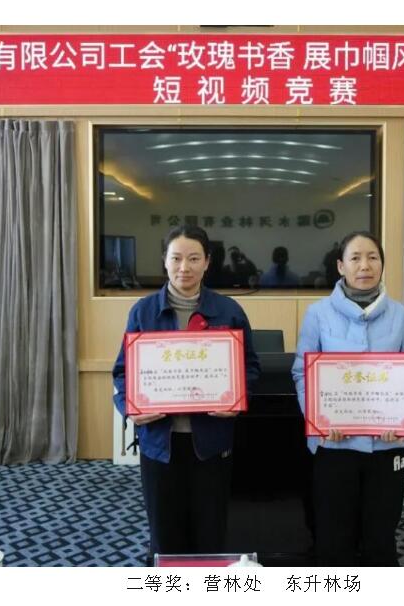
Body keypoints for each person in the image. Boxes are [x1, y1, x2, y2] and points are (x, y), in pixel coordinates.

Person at [113, 225, 260, 558]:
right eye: (176, 258)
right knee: (165, 533)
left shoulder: (229, 311)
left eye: (194, 258)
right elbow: (122, 372)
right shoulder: (143, 311)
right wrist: (131, 407)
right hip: (159, 443)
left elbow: (250, 367)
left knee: (210, 531)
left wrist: (238, 399)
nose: (185, 267)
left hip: (211, 443)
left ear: (207, 262)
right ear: (164, 261)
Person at [292, 230, 404, 566]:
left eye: (372, 257)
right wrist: (319, 422)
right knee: (334, 536)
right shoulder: (318, 314)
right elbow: (302, 373)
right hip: (334, 445)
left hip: (386, 446)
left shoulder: (400, 316)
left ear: (382, 264)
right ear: (341, 266)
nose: (365, 265)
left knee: (381, 535)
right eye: (355, 258)